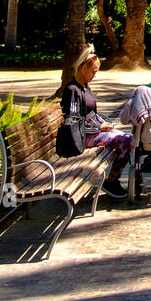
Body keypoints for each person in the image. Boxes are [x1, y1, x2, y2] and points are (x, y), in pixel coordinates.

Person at [61, 45, 131, 200]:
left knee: (128, 139)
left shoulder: (85, 87)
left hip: (92, 132)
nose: (94, 75)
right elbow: (74, 120)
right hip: (82, 137)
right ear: (84, 68)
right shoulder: (73, 90)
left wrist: (103, 124)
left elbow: (92, 114)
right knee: (125, 142)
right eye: (93, 71)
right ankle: (111, 181)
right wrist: (99, 127)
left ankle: (113, 180)